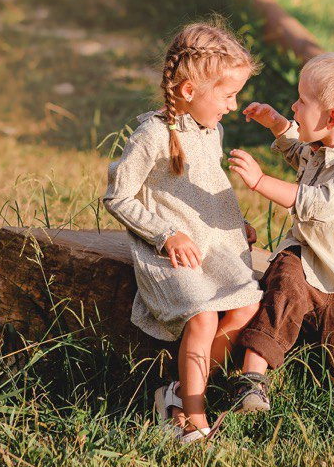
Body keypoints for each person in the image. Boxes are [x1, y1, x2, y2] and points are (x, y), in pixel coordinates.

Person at [103, 22, 264, 444]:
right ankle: (191, 416)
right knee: (204, 315)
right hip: (170, 253)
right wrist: (166, 234)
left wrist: (232, 219)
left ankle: (176, 392)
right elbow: (117, 197)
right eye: (227, 95)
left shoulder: (212, 129)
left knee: (247, 306)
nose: (233, 106)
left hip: (212, 246)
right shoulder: (152, 135)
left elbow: (208, 188)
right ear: (190, 91)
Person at [226, 52, 334, 426]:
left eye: (301, 101)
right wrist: (279, 125)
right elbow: (300, 153)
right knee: (281, 291)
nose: (294, 106)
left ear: (331, 118)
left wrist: (259, 182)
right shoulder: (326, 146)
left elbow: (315, 203)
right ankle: (252, 380)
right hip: (304, 256)